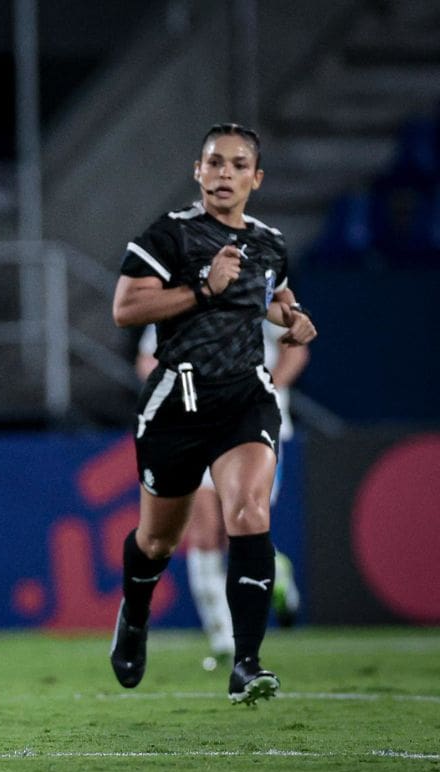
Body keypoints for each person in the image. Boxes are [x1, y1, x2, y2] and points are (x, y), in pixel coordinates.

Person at [109, 123, 318, 705]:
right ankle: (135, 614)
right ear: (198, 172)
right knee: (156, 541)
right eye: (214, 162)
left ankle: (246, 663)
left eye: (237, 164)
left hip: (244, 398)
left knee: (248, 512)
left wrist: (293, 321)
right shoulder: (170, 235)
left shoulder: (269, 242)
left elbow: (277, 299)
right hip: (177, 402)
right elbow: (126, 309)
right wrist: (202, 288)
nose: (224, 173)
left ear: (256, 177)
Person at [135, 322, 306, 670]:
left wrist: (265, 389)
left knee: (239, 528)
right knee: (201, 529)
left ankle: (276, 573)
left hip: (252, 427)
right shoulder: (180, 296)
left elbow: (296, 348)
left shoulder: (258, 289)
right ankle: (223, 638)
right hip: (194, 425)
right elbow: (146, 360)